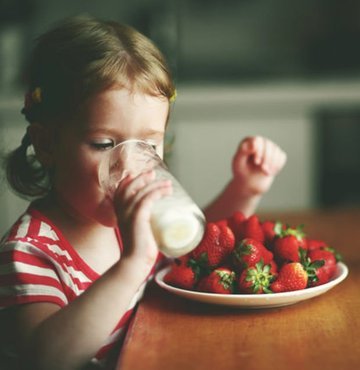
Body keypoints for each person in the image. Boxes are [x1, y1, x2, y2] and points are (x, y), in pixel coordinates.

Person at [0, 16, 286, 370]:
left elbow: (196, 243)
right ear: (47, 144)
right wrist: (132, 265)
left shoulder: (131, 222)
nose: (129, 166)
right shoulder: (30, 253)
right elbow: (45, 359)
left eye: (149, 144)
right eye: (105, 144)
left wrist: (245, 187)